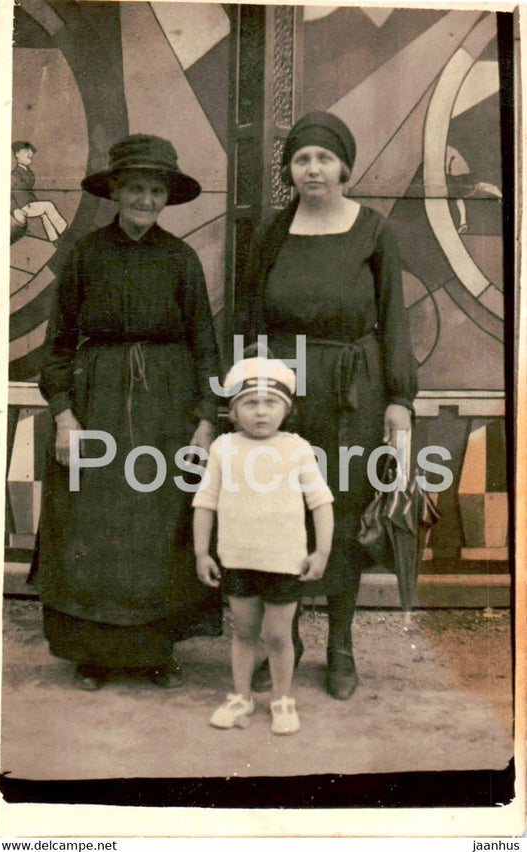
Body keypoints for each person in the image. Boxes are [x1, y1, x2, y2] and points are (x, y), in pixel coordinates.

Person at [236, 111, 418, 700]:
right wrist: (248, 390)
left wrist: (399, 399)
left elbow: (392, 316)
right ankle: (284, 639)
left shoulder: (373, 230)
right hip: (283, 390)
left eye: (323, 158)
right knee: (277, 509)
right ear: (290, 171)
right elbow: (250, 316)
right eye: (301, 159)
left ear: (344, 166)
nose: (313, 169)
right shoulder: (273, 231)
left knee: (340, 508)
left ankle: (341, 643)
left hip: (352, 391)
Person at [31, 134, 222, 690]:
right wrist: (65, 417)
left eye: (155, 189)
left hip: (167, 407)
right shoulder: (86, 255)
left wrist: (206, 420)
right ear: (115, 190)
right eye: (135, 187)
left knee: (157, 525)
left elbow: (205, 347)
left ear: (167, 197)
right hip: (97, 405)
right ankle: (92, 653)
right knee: (95, 525)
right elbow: (59, 344)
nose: (145, 199)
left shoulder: (181, 259)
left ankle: (152, 652)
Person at [193, 357, 334, 734]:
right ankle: (240, 696)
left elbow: (320, 502)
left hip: (284, 562)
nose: (260, 412)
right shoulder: (223, 448)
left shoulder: (297, 448)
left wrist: (321, 551)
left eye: (270, 403)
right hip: (238, 560)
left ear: (286, 409)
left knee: (277, 634)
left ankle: (282, 698)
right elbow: (205, 501)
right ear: (234, 410)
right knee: (242, 631)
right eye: (250, 403)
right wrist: (202, 553)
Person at [10, 141, 68, 243]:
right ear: (17, 154)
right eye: (26, 150)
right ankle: (66, 233)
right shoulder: (14, 174)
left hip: (29, 204)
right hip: (21, 207)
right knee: (48, 206)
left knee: (44, 214)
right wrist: (14, 210)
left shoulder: (30, 174)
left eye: (31, 151)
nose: (30, 154)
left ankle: (55, 239)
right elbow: (7, 195)